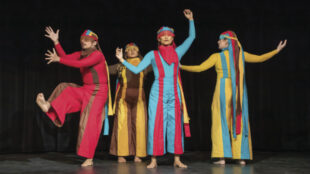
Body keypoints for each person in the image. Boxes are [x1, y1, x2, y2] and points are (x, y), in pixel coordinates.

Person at [181, 30, 287, 165]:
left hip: (222, 91)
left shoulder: (217, 57)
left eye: (220, 40)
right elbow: (260, 58)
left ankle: (222, 157)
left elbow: (200, 68)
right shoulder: (241, 55)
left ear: (227, 42)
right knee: (239, 120)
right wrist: (276, 51)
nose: (218, 42)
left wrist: (181, 66)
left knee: (221, 122)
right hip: (238, 92)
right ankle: (241, 157)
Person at [115, 9, 195, 168]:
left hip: (174, 93)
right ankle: (153, 160)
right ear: (159, 38)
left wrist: (191, 20)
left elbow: (192, 37)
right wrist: (122, 60)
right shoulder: (152, 54)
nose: (166, 36)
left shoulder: (178, 52)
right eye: (162, 35)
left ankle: (177, 159)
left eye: (168, 34)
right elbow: (137, 70)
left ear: (172, 37)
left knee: (175, 125)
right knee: (156, 124)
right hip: (157, 94)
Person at [36, 27, 112, 167]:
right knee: (65, 87)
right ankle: (48, 106)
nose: (84, 42)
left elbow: (80, 64)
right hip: (86, 89)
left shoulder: (97, 55)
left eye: (87, 40)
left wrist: (59, 59)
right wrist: (56, 41)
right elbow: (65, 58)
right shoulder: (81, 53)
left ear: (94, 43)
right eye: (82, 39)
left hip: (99, 92)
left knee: (88, 122)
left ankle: (89, 158)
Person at [109, 43, 152, 163]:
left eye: (134, 49)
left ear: (138, 52)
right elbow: (104, 69)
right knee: (122, 125)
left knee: (139, 125)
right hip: (123, 98)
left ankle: (138, 154)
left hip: (139, 98)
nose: (132, 51)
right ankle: (121, 154)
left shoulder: (145, 65)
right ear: (125, 53)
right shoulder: (120, 65)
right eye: (129, 50)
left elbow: (160, 63)